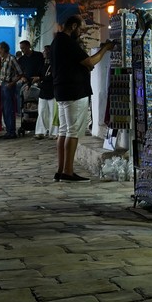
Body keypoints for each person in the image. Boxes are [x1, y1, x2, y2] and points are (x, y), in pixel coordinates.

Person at [50, 15, 113, 182]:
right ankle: (68, 171)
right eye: (81, 28)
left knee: (63, 131)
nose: (82, 31)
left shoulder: (57, 42)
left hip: (62, 91)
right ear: (74, 26)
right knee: (72, 132)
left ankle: (61, 170)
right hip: (74, 91)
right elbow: (90, 61)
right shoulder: (68, 42)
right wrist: (105, 48)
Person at [0, 41, 22, 139]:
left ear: (4, 49)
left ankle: (11, 131)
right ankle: (8, 130)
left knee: (9, 109)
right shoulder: (2, 59)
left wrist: (12, 83)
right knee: (4, 108)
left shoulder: (12, 58)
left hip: (9, 85)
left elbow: (20, 73)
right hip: (3, 84)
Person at [15, 39, 43, 135]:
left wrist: (38, 78)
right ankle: (27, 123)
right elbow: (19, 72)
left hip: (38, 81)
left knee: (38, 104)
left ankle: (39, 125)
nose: (22, 50)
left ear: (28, 46)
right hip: (26, 83)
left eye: (23, 48)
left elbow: (42, 67)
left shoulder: (38, 56)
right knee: (27, 103)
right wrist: (22, 78)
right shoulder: (21, 60)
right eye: (21, 49)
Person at [34, 44, 56, 139]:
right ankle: (41, 131)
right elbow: (39, 73)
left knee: (53, 113)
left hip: (52, 91)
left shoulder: (54, 64)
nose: (44, 52)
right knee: (42, 112)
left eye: (45, 51)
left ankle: (54, 132)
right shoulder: (43, 63)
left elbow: (52, 76)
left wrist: (41, 78)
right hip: (43, 91)